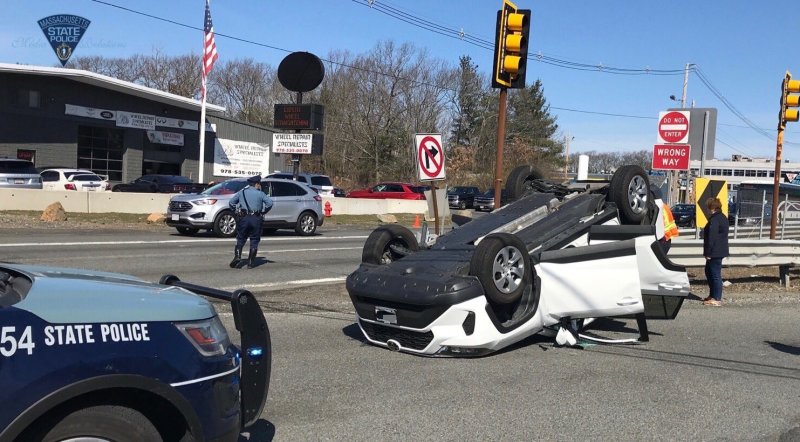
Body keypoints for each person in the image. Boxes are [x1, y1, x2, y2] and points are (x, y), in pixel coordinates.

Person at [228, 175, 273, 269]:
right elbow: (270, 203)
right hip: (256, 218)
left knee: (241, 238)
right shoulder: (260, 194)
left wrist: (236, 211)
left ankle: (237, 257)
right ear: (256, 184)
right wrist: (263, 211)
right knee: (254, 239)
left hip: (244, 218)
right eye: (259, 184)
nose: (260, 185)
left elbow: (231, 203)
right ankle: (251, 262)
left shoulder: (242, 192)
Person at [702, 197, 729, 306]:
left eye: (708, 207)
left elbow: (711, 237)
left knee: (714, 274)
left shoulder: (714, 219)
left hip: (715, 251)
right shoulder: (723, 217)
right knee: (709, 271)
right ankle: (712, 295)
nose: (707, 210)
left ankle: (717, 298)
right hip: (720, 250)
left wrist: (708, 253)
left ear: (712, 207)